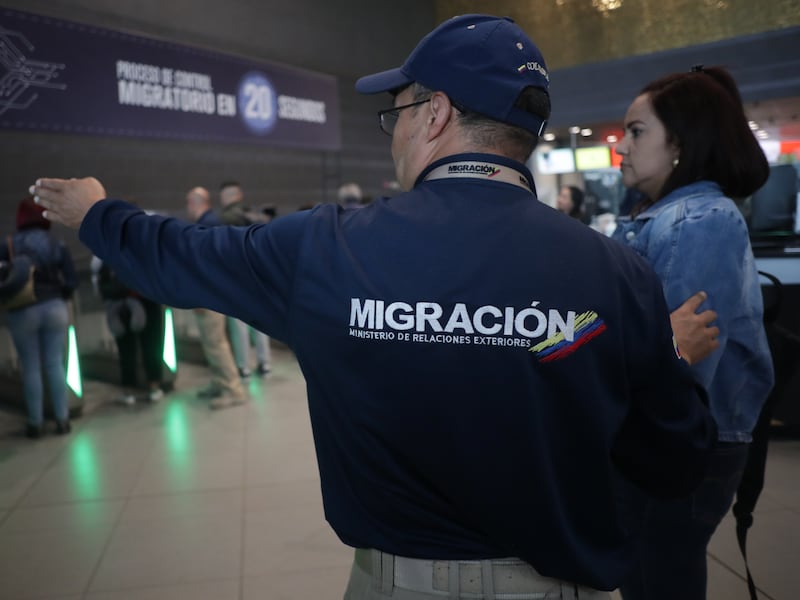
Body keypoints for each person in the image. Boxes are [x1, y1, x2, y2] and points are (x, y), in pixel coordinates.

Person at [31, 14, 716, 598]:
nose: (394, 133)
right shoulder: (618, 275)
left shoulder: (324, 248)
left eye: (400, 111)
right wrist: (663, 362)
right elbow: (675, 461)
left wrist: (97, 213)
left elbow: (182, 259)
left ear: (437, 113)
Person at [612, 65, 774, 600]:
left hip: (678, 438)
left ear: (679, 143)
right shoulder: (662, 216)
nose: (622, 147)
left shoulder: (695, 221)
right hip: (672, 434)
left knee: (658, 577)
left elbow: (682, 362)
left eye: (637, 132)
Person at [0, 196, 77, 438]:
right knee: (55, 364)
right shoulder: (56, 244)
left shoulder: (9, 245)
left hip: (23, 310)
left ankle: (35, 423)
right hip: (54, 307)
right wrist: (59, 294)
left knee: (30, 367)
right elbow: (71, 280)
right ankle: (62, 420)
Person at [184, 186, 248, 409]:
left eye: (188, 203)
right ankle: (220, 382)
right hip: (210, 292)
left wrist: (202, 296)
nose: (187, 208)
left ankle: (232, 389)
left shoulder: (207, 223)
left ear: (195, 203)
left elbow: (207, 265)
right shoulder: (208, 221)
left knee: (216, 342)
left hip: (210, 294)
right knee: (212, 342)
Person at [91, 255, 165, 404]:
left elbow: (97, 281)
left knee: (125, 348)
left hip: (119, 302)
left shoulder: (103, 252)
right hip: (146, 299)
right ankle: (154, 386)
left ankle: (129, 390)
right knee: (151, 343)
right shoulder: (141, 245)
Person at [217, 180, 272, 378]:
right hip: (260, 278)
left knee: (239, 325)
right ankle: (265, 363)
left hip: (236, 279)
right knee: (261, 324)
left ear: (229, 196)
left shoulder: (225, 217)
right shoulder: (255, 215)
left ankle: (243, 367)